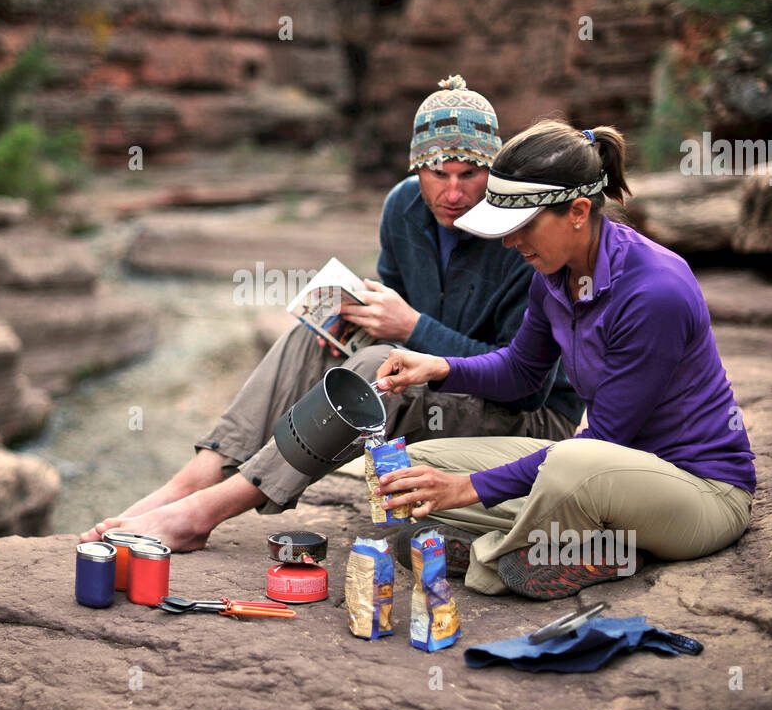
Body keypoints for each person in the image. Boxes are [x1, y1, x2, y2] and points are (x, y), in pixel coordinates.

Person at [79, 77, 583, 551]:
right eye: (438, 174)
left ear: (491, 170)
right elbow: (394, 303)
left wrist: (411, 328)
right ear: (415, 168)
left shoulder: (522, 235)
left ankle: (204, 514)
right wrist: (350, 314)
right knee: (314, 333)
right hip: (436, 384)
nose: (452, 193)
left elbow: (526, 383)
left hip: (527, 419)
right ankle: (195, 479)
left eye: (469, 174)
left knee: (372, 370)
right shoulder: (404, 208)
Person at [373, 120, 757, 599]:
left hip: (699, 492)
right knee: (415, 466)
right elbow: (520, 371)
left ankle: (493, 553)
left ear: (578, 211)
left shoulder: (655, 291)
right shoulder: (554, 275)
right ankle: (574, 545)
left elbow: (604, 440)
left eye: (523, 226)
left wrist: (466, 489)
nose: (511, 243)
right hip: (603, 476)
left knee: (570, 462)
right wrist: (440, 368)